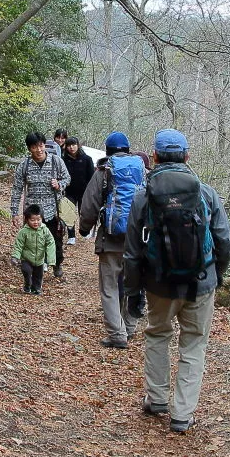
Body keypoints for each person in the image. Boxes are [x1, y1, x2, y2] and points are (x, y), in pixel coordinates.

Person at [123, 129, 230, 433]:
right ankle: (182, 414)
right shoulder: (206, 193)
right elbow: (224, 241)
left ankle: (157, 399)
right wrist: (216, 274)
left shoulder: (143, 196)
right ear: (187, 157)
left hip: (159, 284)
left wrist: (133, 292)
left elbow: (132, 252)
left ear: (154, 157)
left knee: (158, 335)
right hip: (201, 282)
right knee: (194, 344)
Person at [78, 131, 146, 348]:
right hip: (138, 241)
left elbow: (89, 203)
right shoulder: (143, 171)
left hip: (110, 240)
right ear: (128, 149)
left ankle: (117, 334)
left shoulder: (104, 171)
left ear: (108, 150)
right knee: (133, 284)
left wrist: (84, 228)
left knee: (109, 287)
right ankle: (130, 326)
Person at [11, 131, 70, 278]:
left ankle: (57, 264)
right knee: (32, 241)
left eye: (41, 145)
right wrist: (14, 212)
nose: (38, 150)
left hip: (52, 209)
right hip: (32, 211)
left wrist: (59, 184)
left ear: (44, 145)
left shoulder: (56, 161)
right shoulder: (24, 165)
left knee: (55, 240)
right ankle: (35, 268)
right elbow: (17, 188)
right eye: (34, 147)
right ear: (29, 148)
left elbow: (67, 178)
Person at [10, 204, 56, 294]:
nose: (36, 222)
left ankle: (36, 289)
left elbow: (50, 243)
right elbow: (18, 245)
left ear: (42, 219)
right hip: (26, 258)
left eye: (38, 220)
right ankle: (27, 285)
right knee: (27, 271)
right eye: (32, 220)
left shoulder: (45, 231)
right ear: (27, 220)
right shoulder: (23, 232)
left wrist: (51, 259)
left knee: (38, 276)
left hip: (39, 259)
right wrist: (15, 257)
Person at [62, 137, 94, 245]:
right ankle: (71, 236)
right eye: (69, 145)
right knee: (68, 213)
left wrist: (91, 192)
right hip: (69, 191)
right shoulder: (63, 160)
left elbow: (91, 177)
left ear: (78, 145)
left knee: (84, 213)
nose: (71, 147)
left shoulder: (87, 159)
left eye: (74, 144)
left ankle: (85, 231)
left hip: (84, 192)